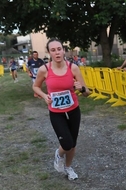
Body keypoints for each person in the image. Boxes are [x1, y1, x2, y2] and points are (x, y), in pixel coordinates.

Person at [32, 38, 91, 181]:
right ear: (49, 52)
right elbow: (35, 86)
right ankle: (58, 155)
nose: (57, 52)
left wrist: (81, 88)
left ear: (63, 50)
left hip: (73, 110)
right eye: (53, 50)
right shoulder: (44, 70)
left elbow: (87, 92)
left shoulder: (73, 68)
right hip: (56, 112)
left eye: (59, 49)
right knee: (66, 143)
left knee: (73, 144)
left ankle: (68, 167)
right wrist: (44, 96)